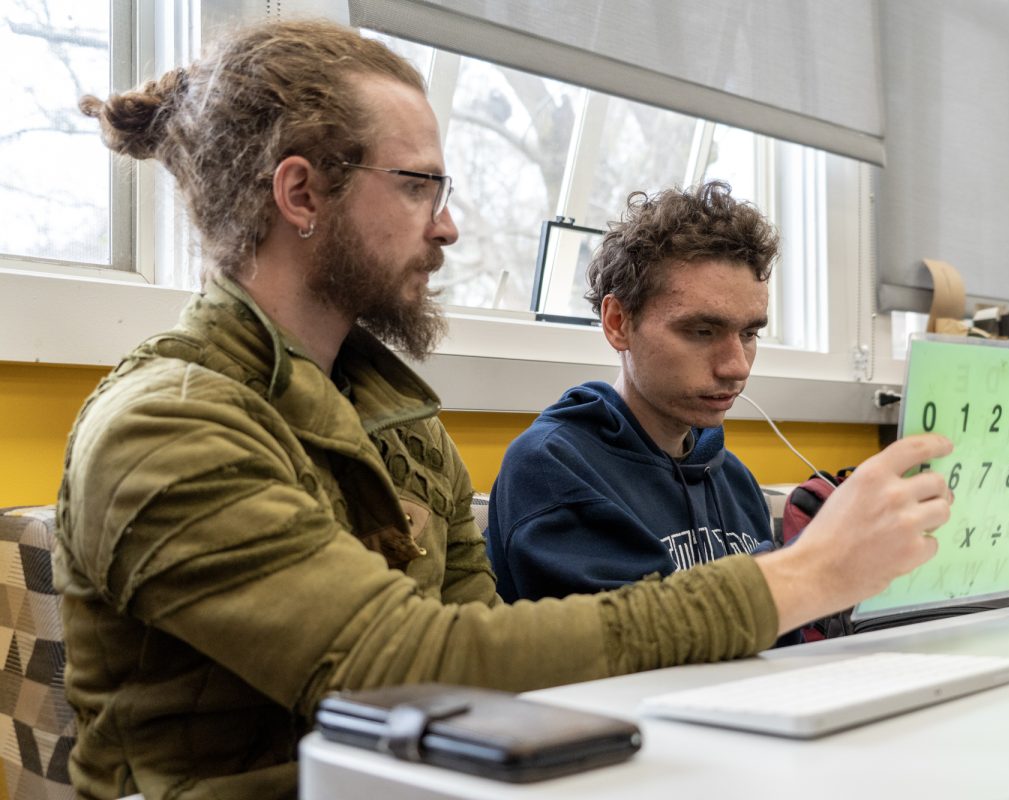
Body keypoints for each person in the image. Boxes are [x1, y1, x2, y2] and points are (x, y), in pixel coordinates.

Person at [57, 18, 952, 800]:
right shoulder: (165, 428)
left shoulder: (402, 430)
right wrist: (799, 577)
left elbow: (488, 657)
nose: (447, 227)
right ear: (299, 195)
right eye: (419, 186)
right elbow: (400, 668)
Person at [487, 182, 781, 602]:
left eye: (749, 332)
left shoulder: (732, 478)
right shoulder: (551, 468)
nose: (736, 366)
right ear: (618, 322)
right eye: (702, 330)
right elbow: (631, 650)